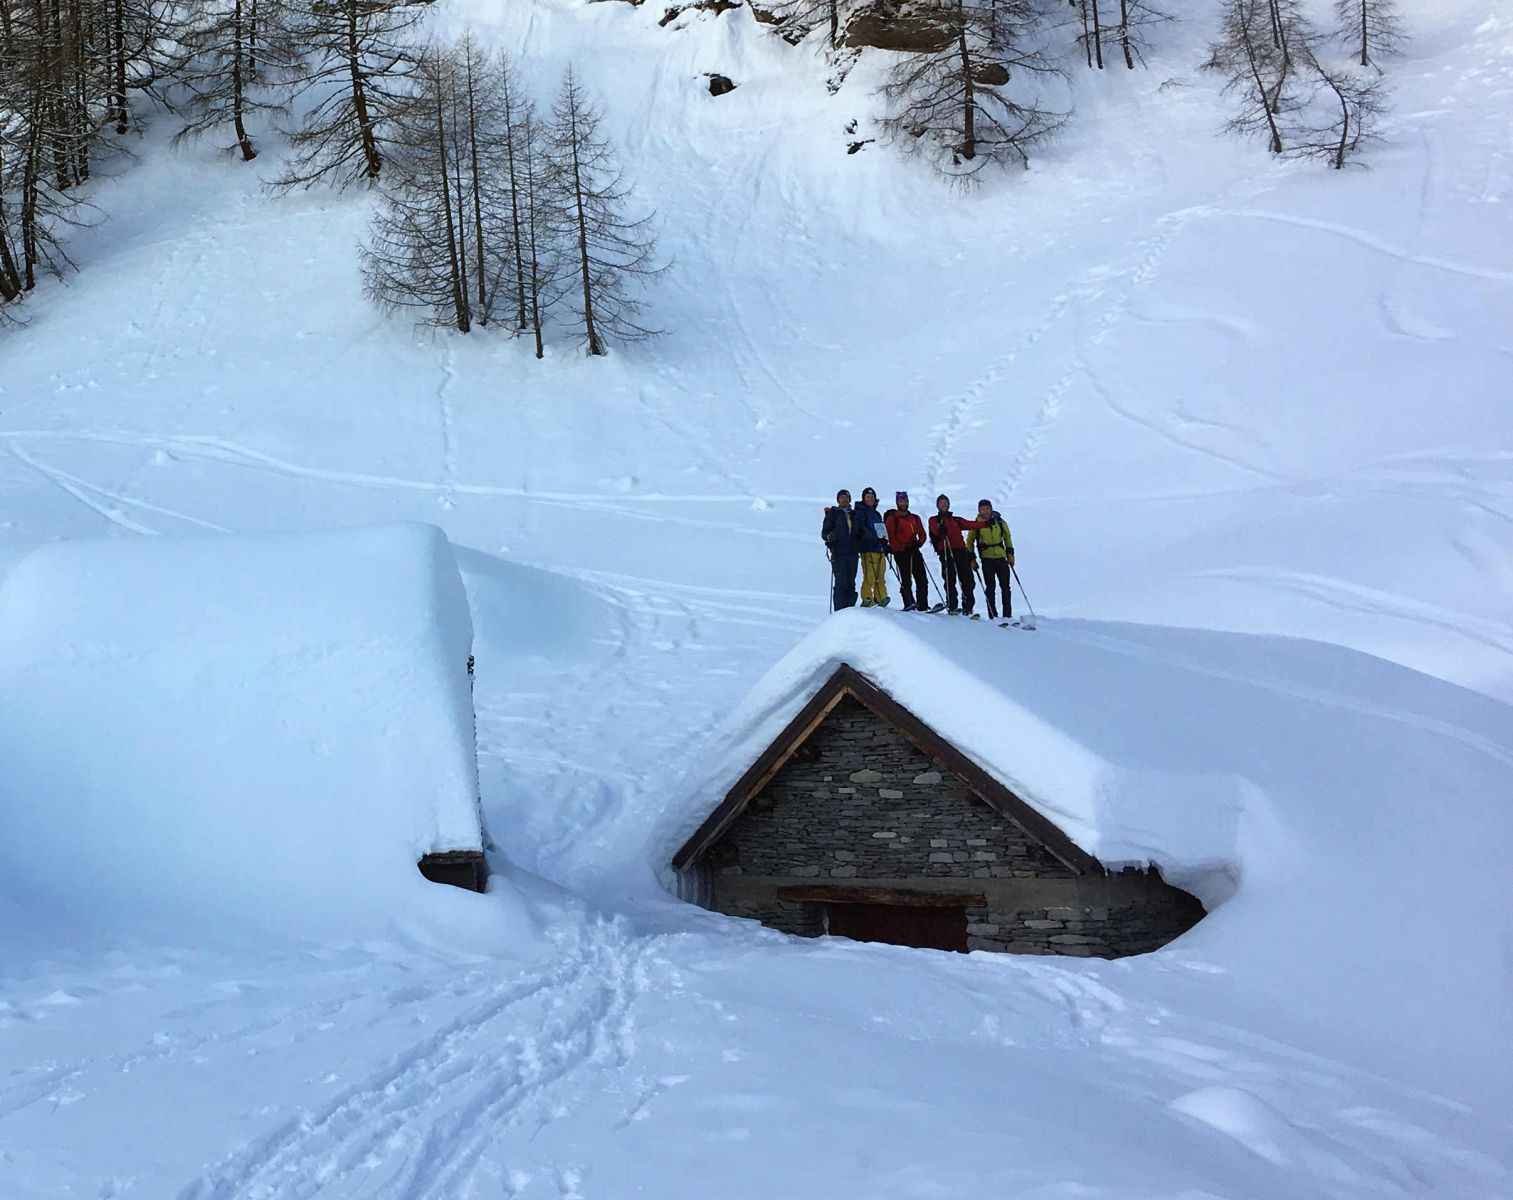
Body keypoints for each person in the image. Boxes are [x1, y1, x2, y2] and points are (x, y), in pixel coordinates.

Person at [928, 494, 985, 617]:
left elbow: (970, 525)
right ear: (937, 505)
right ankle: (952, 605)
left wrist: (985, 524)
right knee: (950, 578)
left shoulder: (956, 520)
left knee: (967, 579)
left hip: (960, 551)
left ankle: (968, 607)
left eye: (945, 502)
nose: (944, 505)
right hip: (946, 550)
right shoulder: (934, 519)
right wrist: (940, 530)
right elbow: (934, 530)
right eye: (941, 503)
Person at [967, 499, 1015, 621]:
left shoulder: (999, 521)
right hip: (987, 559)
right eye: (983, 509)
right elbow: (969, 542)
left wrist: (1010, 553)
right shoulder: (976, 524)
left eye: (987, 508)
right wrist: (972, 559)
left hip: (1001, 557)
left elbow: (1007, 537)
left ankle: (1007, 615)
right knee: (990, 587)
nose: (986, 511)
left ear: (991, 508)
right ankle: (992, 615)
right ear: (979, 510)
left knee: (1005, 587)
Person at [885, 491, 930, 611]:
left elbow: (922, 534)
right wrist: (902, 547)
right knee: (906, 579)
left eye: (905, 501)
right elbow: (891, 537)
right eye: (901, 501)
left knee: (922, 578)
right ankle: (908, 602)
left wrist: (919, 543)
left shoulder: (915, 518)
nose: (904, 503)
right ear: (897, 502)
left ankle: (922, 604)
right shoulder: (892, 519)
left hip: (914, 550)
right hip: (901, 552)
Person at [821, 488, 861, 610]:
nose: (844, 499)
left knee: (851, 582)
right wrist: (829, 536)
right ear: (838, 500)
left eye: (846, 497)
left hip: (853, 553)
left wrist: (862, 536)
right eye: (842, 497)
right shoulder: (833, 514)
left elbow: (858, 531)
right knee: (841, 583)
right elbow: (824, 533)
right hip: (838, 553)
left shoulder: (854, 514)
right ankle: (840, 611)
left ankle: (849, 610)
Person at [856, 486, 891, 608]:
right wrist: (872, 538)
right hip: (868, 548)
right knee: (869, 576)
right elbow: (861, 529)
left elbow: (881, 529)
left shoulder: (876, 513)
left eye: (872, 497)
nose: (870, 499)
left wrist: (885, 543)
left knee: (880, 575)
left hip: (879, 549)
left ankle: (881, 597)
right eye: (868, 497)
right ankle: (867, 598)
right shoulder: (860, 512)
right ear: (864, 499)